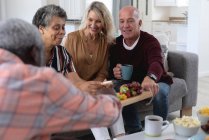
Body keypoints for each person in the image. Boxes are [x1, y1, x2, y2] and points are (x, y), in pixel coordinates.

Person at [0, 18, 121, 140]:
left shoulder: (64, 53)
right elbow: (107, 113)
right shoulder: (42, 79)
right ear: (34, 51)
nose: (62, 32)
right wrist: (108, 92)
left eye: (63, 27)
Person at [64, 1, 125, 139]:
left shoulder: (105, 41)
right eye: (90, 20)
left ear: (104, 22)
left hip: (94, 88)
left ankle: (121, 137)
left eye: (98, 21)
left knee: (111, 98)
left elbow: (103, 71)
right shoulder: (72, 38)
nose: (93, 25)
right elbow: (66, 71)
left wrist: (96, 86)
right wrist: (85, 87)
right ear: (86, 19)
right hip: (75, 89)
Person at [108, 6, 173, 134]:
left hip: (157, 80)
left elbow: (156, 62)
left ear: (140, 23)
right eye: (122, 21)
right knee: (119, 89)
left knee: (159, 93)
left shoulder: (150, 41)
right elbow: (112, 69)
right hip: (132, 82)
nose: (125, 25)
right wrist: (115, 72)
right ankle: (135, 130)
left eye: (130, 20)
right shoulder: (115, 44)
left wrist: (150, 77)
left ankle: (158, 131)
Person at [32, 4, 102, 95]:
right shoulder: (24, 54)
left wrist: (92, 86)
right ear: (41, 29)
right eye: (56, 28)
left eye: (63, 27)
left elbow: (76, 82)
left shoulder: (62, 53)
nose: (62, 31)